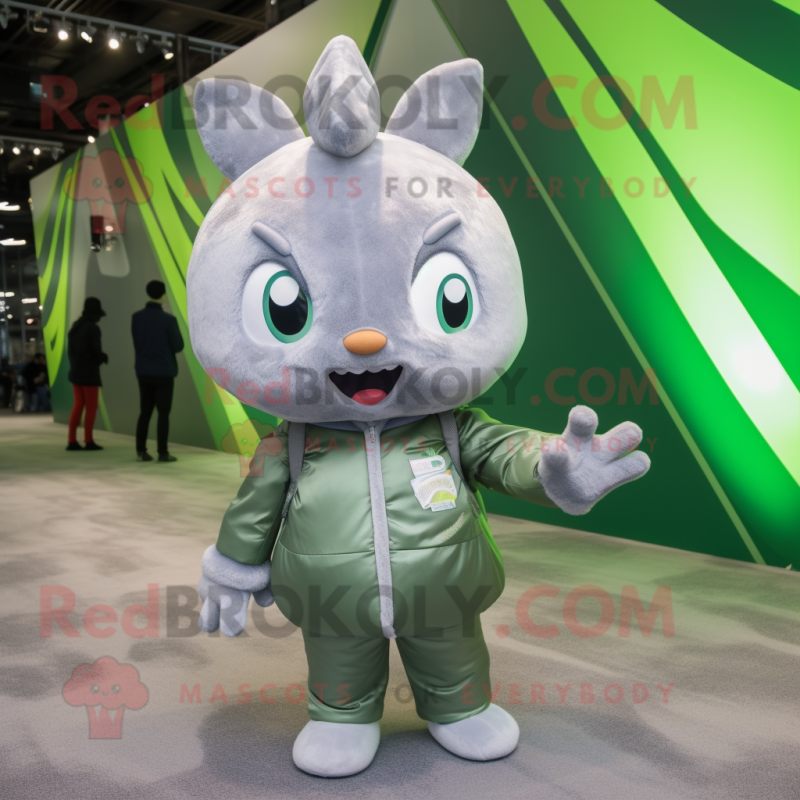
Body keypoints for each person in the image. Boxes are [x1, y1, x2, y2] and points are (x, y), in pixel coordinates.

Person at [131, 280, 184, 462]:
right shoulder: (169, 320)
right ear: (163, 295)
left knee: (144, 412)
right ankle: (162, 452)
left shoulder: (136, 317)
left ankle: (141, 451)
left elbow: (137, 342)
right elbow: (178, 346)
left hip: (143, 371)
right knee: (163, 414)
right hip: (164, 371)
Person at [66, 297, 108, 451]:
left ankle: (71, 440)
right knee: (91, 407)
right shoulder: (93, 328)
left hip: (75, 372)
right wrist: (103, 357)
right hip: (89, 374)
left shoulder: (76, 326)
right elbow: (96, 351)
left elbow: (71, 351)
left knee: (78, 405)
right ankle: (88, 440)